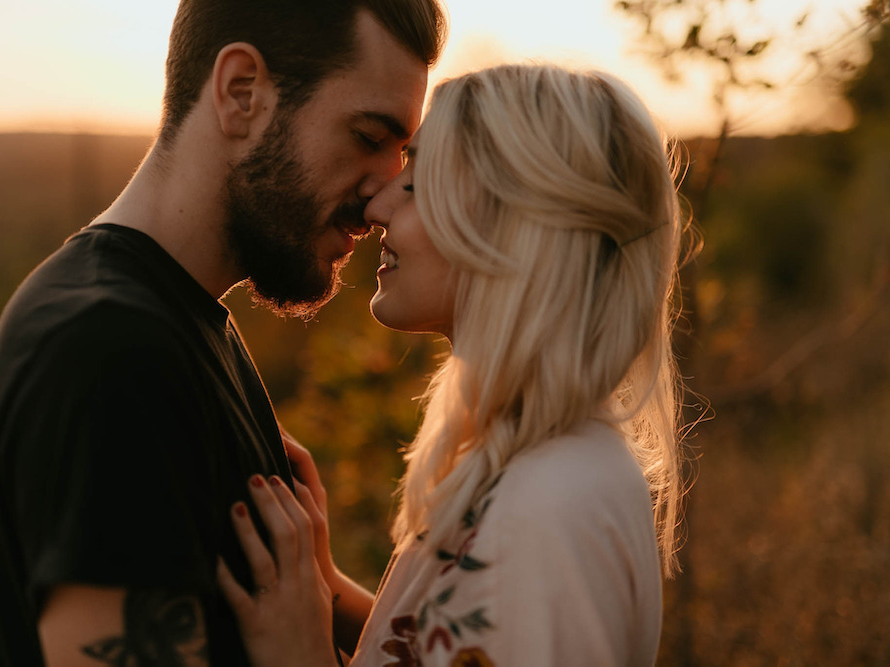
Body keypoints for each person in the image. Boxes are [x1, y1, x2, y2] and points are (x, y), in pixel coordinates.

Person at [0, 1, 446, 665]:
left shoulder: (180, 323)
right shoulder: (110, 351)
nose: (383, 194)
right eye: (368, 137)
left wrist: (325, 596)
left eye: (402, 152)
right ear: (241, 92)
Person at [215, 63, 689, 666]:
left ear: (518, 225)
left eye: (416, 181)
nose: (377, 206)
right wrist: (323, 588)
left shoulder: (548, 511)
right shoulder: (532, 464)